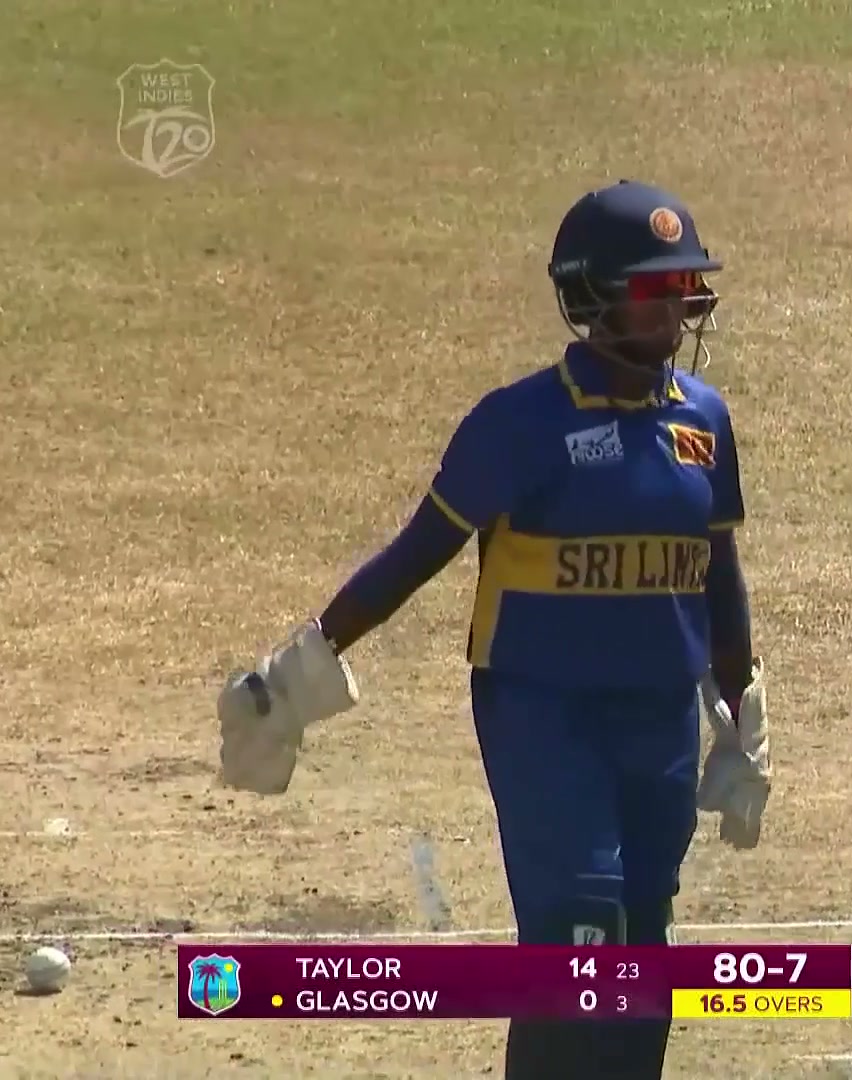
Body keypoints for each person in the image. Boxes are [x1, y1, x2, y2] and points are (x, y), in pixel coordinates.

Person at [214, 180, 770, 1080]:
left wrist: (743, 714)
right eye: (651, 289)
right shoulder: (520, 424)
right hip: (544, 716)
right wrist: (302, 664)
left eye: (683, 287)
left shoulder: (702, 420)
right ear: (591, 295)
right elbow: (414, 555)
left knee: (644, 943)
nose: (675, 308)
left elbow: (719, 574)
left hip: (660, 718)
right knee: (580, 930)